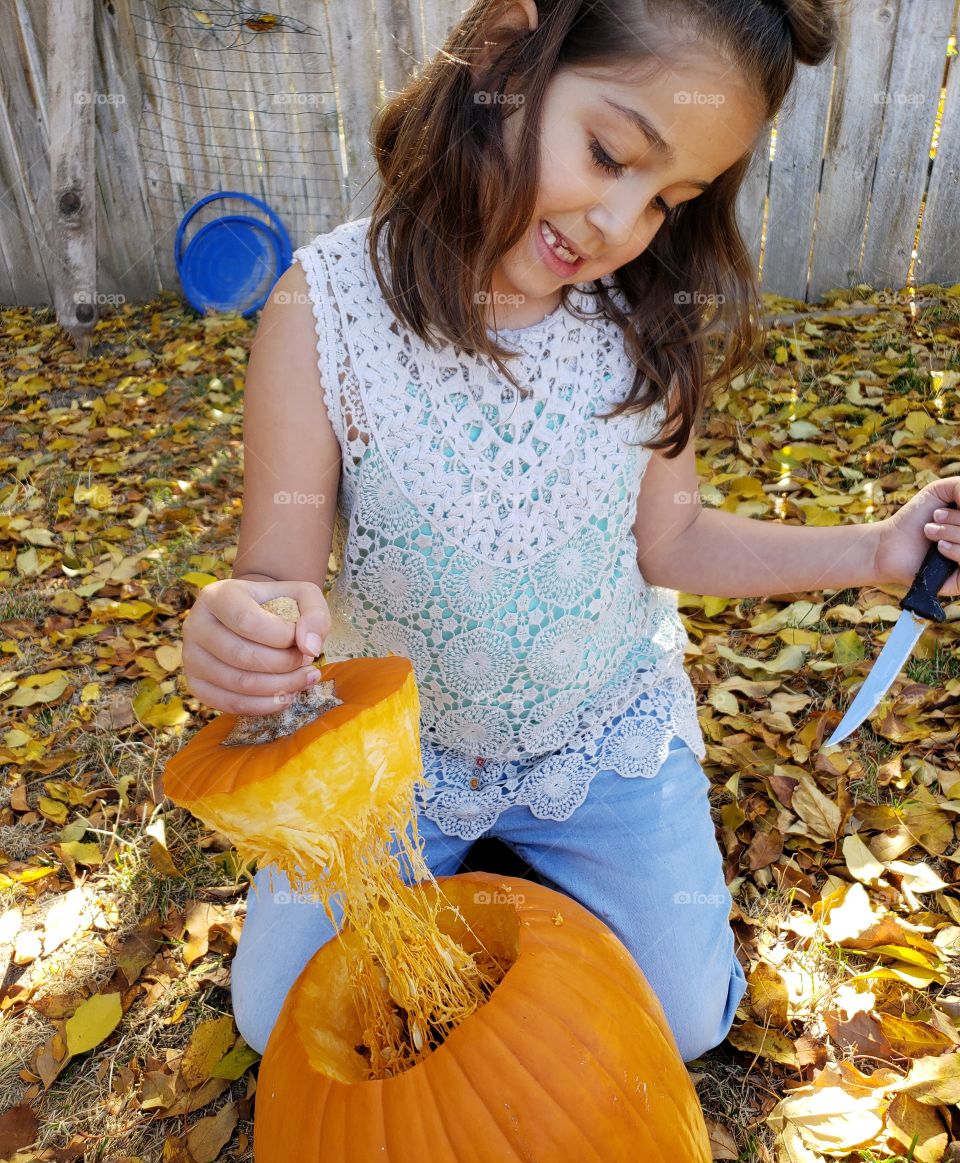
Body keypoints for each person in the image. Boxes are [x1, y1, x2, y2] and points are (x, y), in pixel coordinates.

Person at [180, 0, 960, 1061]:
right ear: (507, 52)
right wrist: (251, 624)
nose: (620, 223)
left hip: (600, 735)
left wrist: (875, 550)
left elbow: (672, 544)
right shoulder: (321, 309)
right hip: (397, 756)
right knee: (281, 1017)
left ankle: (547, 850)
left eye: (668, 199)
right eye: (608, 153)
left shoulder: (642, 325)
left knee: (685, 1017)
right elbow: (277, 569)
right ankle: (479, 855)